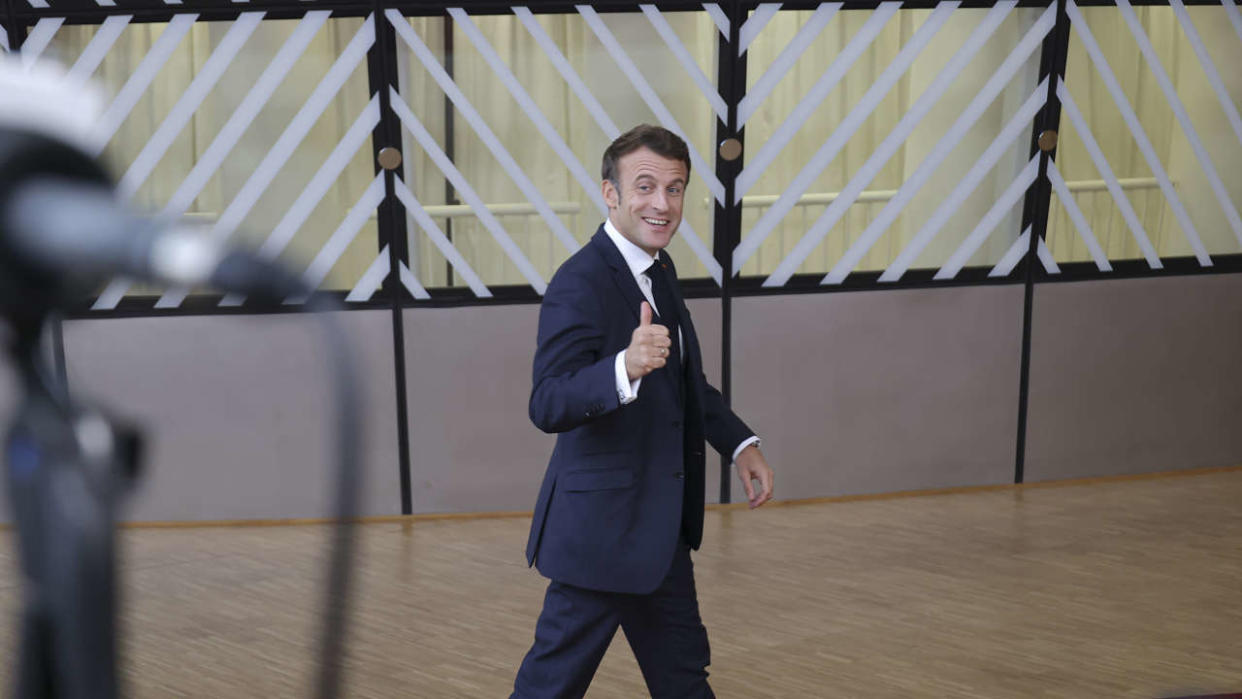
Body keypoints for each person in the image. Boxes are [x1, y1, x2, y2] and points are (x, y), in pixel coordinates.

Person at [512, 124, 775, 698]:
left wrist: (739, 443)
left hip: (658, 534)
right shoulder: (578, 282)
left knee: (684, 679)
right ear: (610, 193)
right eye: (646, 186)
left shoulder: (659, 271)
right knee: (548, 688)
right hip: (601, 536)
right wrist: (622, 369)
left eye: (675, 188)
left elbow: (686, 384)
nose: (662, 204)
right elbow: (547, 401)